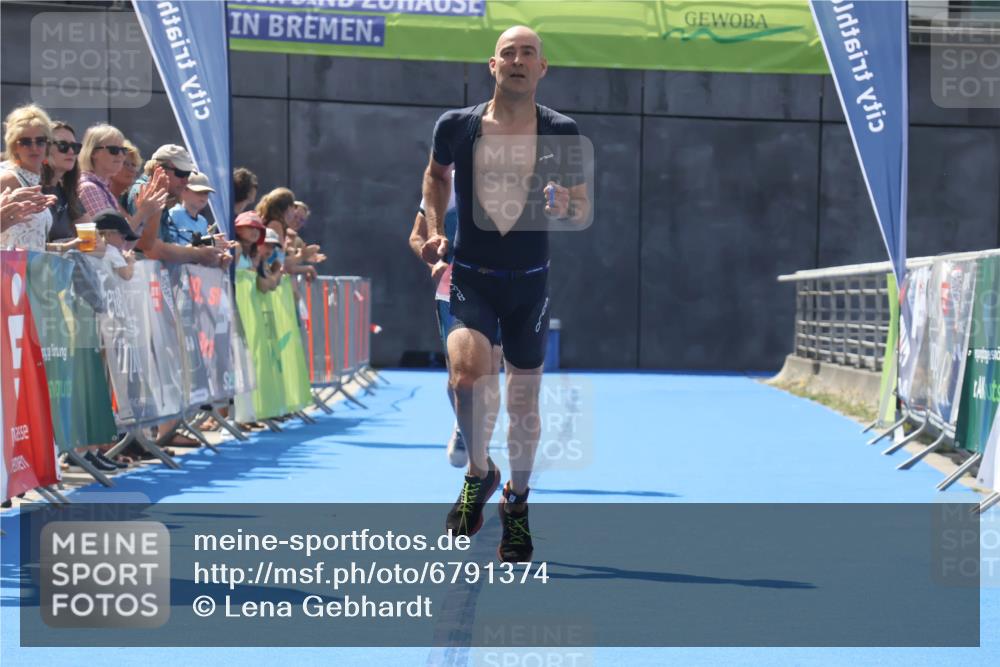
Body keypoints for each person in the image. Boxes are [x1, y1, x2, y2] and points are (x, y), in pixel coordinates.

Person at [423, 26, 590, 562]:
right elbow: (435, 175)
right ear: (491, 65)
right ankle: (480, 472)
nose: (518, 61)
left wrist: (563, 202)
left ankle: (516, 503)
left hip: (529, 284)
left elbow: (577, 208)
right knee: (466, 380)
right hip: (471, 274)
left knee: (523, 405)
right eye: (508, 53)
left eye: (529, 54)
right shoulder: (457, 125)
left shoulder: (561, 131)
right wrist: (430, 226)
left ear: (543, 69)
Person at [409, 173, 503, 468]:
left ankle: (481, 448)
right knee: (460, 378)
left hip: (500, 288)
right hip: (453, 289)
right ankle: (463, 426)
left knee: (489, 371)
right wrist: (434, 262)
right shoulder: (444, 183)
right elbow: (416, 236)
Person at [126, 144, 227, 267]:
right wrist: (197, 254)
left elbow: (164, 245)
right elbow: (152, 250)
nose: (185, 181)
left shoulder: (156, 194)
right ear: (158, 168)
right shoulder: (143, 191)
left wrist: (203, 247)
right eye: (180, 173)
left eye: (188, 174)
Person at [0, 104, 58, 250]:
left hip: (30, 269)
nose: (34, 147)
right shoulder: (8, 178)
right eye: (25, 142)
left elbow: (34, 241)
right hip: (8, 270)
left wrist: (63, 247)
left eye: (40, 141)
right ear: (14, 146)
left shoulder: (34, 180)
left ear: (47, 144)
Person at [42, 121, 89, 246]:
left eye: (75, 147)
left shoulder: (67, 192)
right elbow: (24, 245)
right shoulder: (28, 187)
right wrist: (63, 247)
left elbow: (95, 243)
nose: (71, 152)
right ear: (44, 149)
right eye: (63, 145)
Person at [165, 171, 213, 245]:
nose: (203, 196)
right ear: (184, 191)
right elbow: (168, 247)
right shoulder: (173, 215)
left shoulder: (203, 221)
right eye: (199, 192)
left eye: (206, 192)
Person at [93, 210, 138, 280]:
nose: (124, 242)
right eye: (122, 237)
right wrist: (130, 261)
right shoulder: (111, 250)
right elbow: (126, 275)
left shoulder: (94, 248)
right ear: (108, 235)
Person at [110, 140, 142, 209]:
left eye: (133, 165)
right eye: (125, 164)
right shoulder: (97, 194)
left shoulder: (128, 201)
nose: (131, 169)